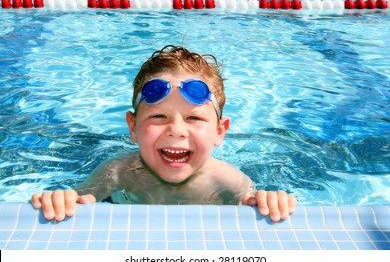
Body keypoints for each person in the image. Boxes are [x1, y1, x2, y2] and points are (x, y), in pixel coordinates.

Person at [31, 45, 296, 222]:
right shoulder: (117, 171)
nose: (176, 131)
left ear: (219, 131)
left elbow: (255, 211)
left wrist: (269, 201)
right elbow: (79, 201)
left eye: (194, 118)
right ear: (133, 127)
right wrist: (61, 200)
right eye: (159, 116)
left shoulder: (227, 181)